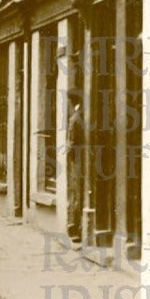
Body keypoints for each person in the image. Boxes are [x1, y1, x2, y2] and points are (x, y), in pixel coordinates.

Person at [67, 91, 85, 245]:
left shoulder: (74, 119)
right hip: (86, 160)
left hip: (78, 162)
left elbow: (71, 145)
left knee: (76, 193)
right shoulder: (84, 115)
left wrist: (69, 156)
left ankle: (76, 230)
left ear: (72, 101)